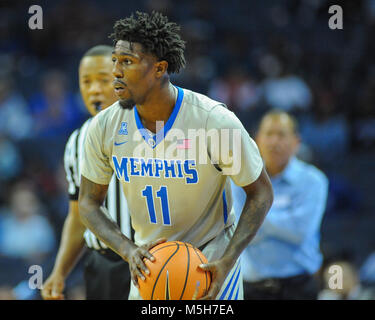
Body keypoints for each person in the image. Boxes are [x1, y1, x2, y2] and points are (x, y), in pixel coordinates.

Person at [78, 11, 273, 300]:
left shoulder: (213, 121)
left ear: (159, 69)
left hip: (211, 258)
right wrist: (127, 248)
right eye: (115, 62)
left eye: (127, 62)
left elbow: (261, 194)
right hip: (150, 263)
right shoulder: (104, 126)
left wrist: (228, 260)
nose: (115, 72)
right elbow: (88, 203)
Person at [41, 45, 133, 300]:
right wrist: (59, 271)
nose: (93, 89)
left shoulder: (157, 132)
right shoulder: (76, 141)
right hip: (101, 266)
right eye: (86, 81)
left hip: (155, 260)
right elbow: (78, 216)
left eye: (104, 80)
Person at [232, 110, 328, 299]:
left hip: (299, 285)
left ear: (296, 142)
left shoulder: (314, 180)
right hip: (251, 287)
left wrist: (254, 218)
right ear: (257, 140)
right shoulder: (237, 179)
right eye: (269, 134)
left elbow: (300, 231)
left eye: (281, 135)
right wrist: (283, 223)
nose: (274, 142)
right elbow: (237, 230)